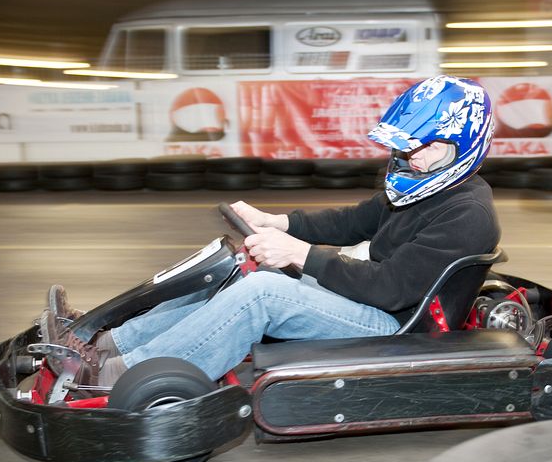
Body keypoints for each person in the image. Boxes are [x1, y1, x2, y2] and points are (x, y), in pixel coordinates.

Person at [41, 75, 501, 387]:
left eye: (431, 148)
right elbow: (352, 221)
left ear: (464, 147)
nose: (414, 159)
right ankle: (103, 343)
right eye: (410, 147)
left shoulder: (467, 213)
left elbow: (389, 288)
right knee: (235, 270)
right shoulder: (417, 185)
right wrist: (276, 223)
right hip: (374, 300)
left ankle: (118, 375)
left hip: (399, 323)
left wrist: (300, 255)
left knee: (262, 292)